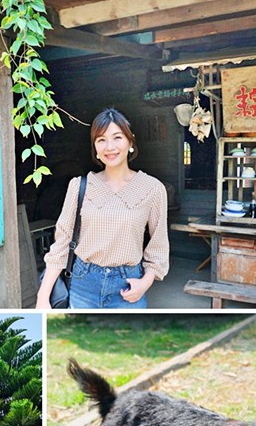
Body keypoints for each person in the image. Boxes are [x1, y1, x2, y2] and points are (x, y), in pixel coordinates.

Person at [35, 108, 169, 309]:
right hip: (83, 284)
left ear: (130, 142)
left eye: (117, 137)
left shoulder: (152, 188)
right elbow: (61, 244)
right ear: (95, 148)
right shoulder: (79, 186)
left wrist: (145, 283)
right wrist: (42, 298)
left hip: (128, 287)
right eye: (101, 140)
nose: (110, 147)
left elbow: (158, 247)